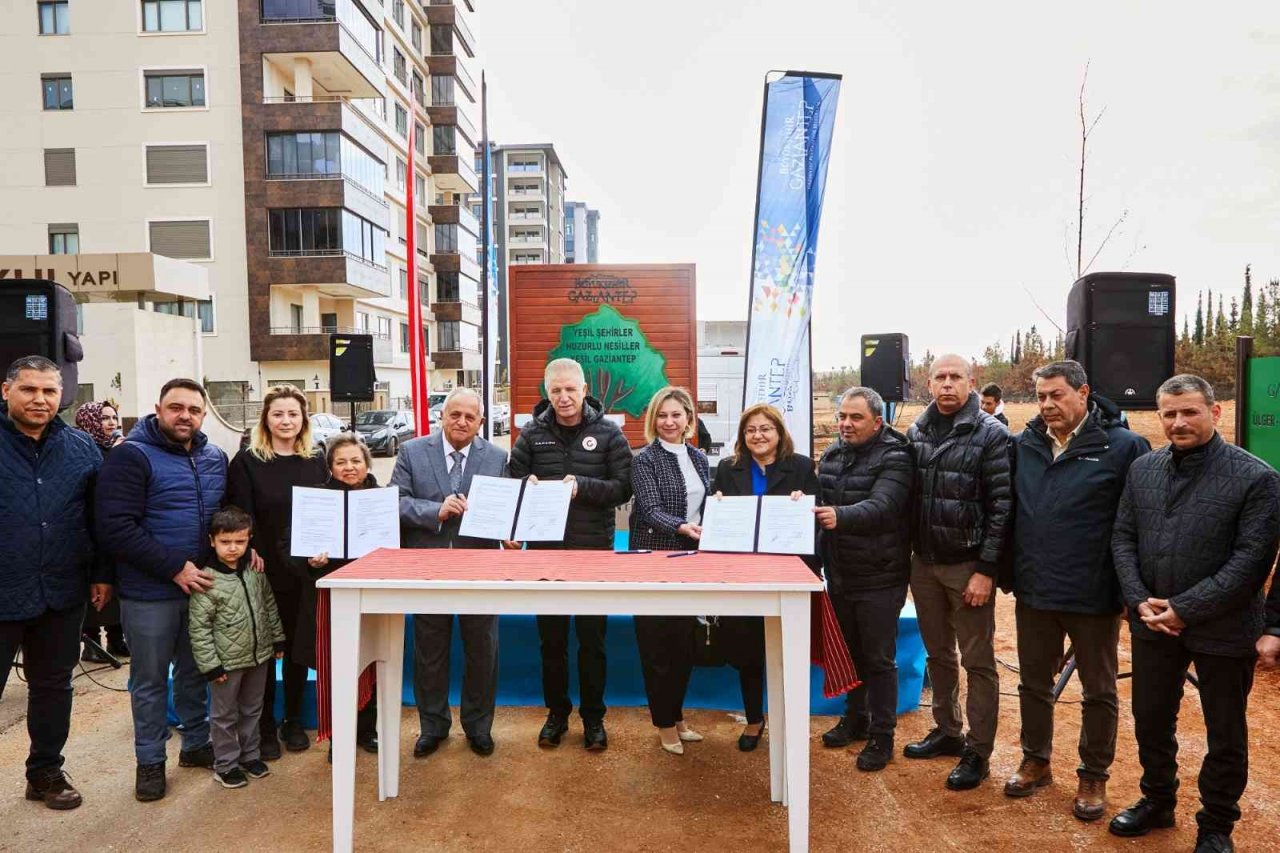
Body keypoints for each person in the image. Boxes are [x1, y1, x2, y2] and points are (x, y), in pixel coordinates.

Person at [1109, 374, 1280, 853]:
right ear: (1158, 415)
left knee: (1224, 730)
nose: (1178, 422)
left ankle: (1216, 824)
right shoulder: (1143, 469)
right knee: (1151, 717)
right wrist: (1138, 596)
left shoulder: (1257, 478)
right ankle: (1157, 800)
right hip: (1153, 623)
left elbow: (1251, 561)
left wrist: (1185, 608)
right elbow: (1123, 537)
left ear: (1215, 412)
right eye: (1169, 413)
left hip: (1224, 628)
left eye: (1189, 412)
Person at [1004, 361, 1149, 820]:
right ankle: (1036, 759)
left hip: (1094, 592)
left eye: (1057, 395)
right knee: (1032, 682)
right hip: (1035, 590)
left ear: (1083, 392)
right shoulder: (1023, 445)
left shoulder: (1124, 446)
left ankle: (1094, 773)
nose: (1047, 405)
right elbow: (1010, 513)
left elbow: (1138, 525)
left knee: (1099, 689)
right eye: (1041, 397)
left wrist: (1131, 589)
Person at [95, 378, 229, 802]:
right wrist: (174, 568)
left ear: (204, 414)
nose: (184, 415)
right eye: (176, 407)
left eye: (193, 409)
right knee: (150, 680)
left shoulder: (214, 457)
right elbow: (115, 527)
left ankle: (195, 744)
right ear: (158, 409)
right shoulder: (131, 456)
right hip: (148, 592)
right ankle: (150, 761)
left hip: (201, 589)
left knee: (195, 671)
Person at [508, 358, 633, 751]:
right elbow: (510, 482)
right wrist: (522, 485)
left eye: (570, 390)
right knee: (552, 642)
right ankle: (556, 715)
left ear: (583, 390)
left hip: (592, 552)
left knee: (593, 641)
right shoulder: (530, 435)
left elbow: (624, 487)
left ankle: (594, 719)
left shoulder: (609, 434)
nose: (563, 397)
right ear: (547, 393)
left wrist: (583, 486)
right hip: (545, 555)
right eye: (556, 391)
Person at [0, 356, 107, 810]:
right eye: (29, 389)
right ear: (6, 391)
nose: (40, 399)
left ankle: (44, 770)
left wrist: (102, 574)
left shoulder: (82, 448)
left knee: (53, 686)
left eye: (48, 391)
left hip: (62, 591)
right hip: (3, 591)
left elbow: (98, 519)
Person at [903, 353, 1012, 791]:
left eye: (956, 377)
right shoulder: (916, 432)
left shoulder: (992, 435)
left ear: (971, 382)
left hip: (967, 566)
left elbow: (1002, 507)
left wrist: (986, 569)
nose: (947, 384)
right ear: (928, 384)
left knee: (978, 660)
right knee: (938, 654)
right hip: (924, 565)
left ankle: (978, 750)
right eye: (939, 377)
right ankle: (948, 730)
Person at [392, 387, 505, 759]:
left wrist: (512, 531)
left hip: (480, 568)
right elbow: (394, 501)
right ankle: (433, 727)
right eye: (455, 414)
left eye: (470, 417)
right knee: (430, 652)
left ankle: (478, 727)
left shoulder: (497, 457)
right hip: (429, 567)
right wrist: (433, 511)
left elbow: (506, 507)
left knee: (482, 651)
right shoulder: (411, 451)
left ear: (481, 423)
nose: (461, 422)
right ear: (442, 415)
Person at [710, 403, 820, 752]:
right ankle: (755, 718)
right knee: (748, 650)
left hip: (787, 571)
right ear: (743, 436)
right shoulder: (729, 469)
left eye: (765, 429)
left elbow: (817, 518)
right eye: (750, 430)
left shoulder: (801, 467)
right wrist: (717, 506)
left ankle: (790, 718)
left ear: (779, 433)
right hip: (743, 573)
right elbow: (713, 514)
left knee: (787, 648)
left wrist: (804, 506)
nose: (758, 435)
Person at [226, 385, 328, 759]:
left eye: (293, 414)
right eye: (278, 414)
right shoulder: (247, 461)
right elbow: (240, 514)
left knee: (300, 648)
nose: (286, 421)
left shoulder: (316, 459)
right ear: (265, 419)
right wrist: (251, 549)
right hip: (264, 571)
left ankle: (294, 721)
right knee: (266, 653)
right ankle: (265, 725)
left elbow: (328, 510)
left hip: (306, 570)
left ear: (304, 420)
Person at [814, 386, 913, 771]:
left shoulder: (896, 455)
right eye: (842, 416)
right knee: (849, 654)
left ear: (877, 421)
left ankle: (882, 736)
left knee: (878, 659)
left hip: (880, 577)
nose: (846, 424)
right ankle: (855, 719)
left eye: (855, 418)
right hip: (840, 574)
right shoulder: (833, 454)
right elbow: (818, 503)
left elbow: (885, 505)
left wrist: (841, 516)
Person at [288, 434, 381, 756]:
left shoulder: (380, 499)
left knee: (371, 661)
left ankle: (367, 729)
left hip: (371, 592)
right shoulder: (317, 499)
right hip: (330, 595)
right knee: (335, 665)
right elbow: (293, 545)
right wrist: (309, 559)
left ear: (367, 463)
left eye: (355, 460)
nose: (349, 467)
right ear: (330, 467)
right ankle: (337, 735)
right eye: (341, 462)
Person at [630, 386, 710, 755]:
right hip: (653, 560)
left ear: (688, 419)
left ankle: (676, 715)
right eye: (662, 415)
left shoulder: (698, 457)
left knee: (684, 644)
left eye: (676, 415)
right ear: (653, 420)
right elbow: (648, 508)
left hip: (692, 562)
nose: (669, 422)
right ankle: (664, 723)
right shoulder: (644, 459)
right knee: (657, 646)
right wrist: (682, 527)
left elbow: (706, 505)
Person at [188, 507, 286, 789]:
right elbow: (199, 628)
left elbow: (268, 605)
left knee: (252, 708)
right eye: (225, 542)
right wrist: (210, 666)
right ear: (212, 541)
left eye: (240, 542)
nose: (233, 548)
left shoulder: (255, 571)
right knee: (224, 715)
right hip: (225, 664)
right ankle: (226, 764)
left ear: (249, 540)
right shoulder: (206, 580)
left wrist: (276, 639)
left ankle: (250, 755)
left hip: (259, 656)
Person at [75, 400, 128, 662]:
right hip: (88, 528)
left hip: (113, 526)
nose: (111, 423)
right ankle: (92, 642)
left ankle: (117, 639)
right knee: (92, 588)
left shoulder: (120, 448)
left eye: (113, 417)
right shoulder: (82, 449)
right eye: (104, 418)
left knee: (116, 585)